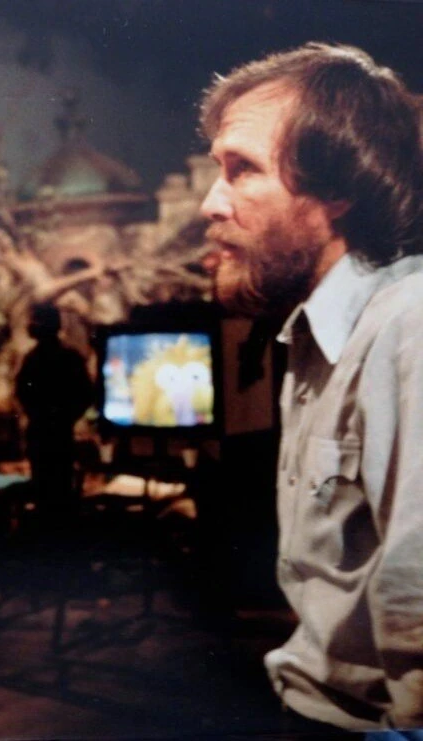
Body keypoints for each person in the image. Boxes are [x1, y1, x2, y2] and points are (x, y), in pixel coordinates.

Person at [199, 42, 423, 735]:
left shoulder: (408, 326)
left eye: (242, 169)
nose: (210, 203)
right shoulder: (316, 336)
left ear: (339, 190)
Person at [15, 302, 93, 533]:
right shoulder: (71, 357)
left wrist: (43, 415)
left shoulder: (33, 359)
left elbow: (23, 393)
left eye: (34, 320)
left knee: (45, 487)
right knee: (60, 485)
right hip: (60, 432)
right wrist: (67, 417)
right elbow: (86, 394)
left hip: (43, 432)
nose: (30, 325)